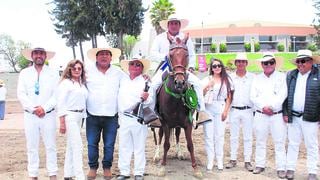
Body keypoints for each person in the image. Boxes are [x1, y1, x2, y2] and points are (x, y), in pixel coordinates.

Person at [150, 15, 210, 126]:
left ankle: (201, 112)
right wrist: (166, 56)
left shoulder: (185, 38)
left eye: (176, 23)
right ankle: (152, 115)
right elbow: (152, 53)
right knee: (153, 85)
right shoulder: (160, 38)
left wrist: (191, 66)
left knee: (197, 83)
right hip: (165, 67)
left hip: (182, 69)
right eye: (171, 23)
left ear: (179, 25)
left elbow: (191, 54)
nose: (174, 25)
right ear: (168, 25)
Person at [17, 47, 59, 180]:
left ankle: (52, 173)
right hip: (30, 115)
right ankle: (33, 174)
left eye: (41, 53)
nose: (38, 56)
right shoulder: (24, 73)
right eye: (36, 53)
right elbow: (21, 93)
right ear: (32, 56)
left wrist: (44, 108)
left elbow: (56, 94)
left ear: (45, 56)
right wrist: (33, 108)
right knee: (32, 146)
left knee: (51, 145)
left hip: (48, 115)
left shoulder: (53, 73)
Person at [85, 47, 123, 180]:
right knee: (91, 143)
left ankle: (107, 167)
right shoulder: (87, 71)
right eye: (101, 54)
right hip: (92, 114)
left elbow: (130, 81)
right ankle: (93, 167)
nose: (104, 56)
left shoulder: (118, 73)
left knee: (109, 144)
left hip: (111, 115)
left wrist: (145, 76)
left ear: (111, 58)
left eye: (107, 54)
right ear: (96, 57)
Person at [283, 49, 320, 180]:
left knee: (312, 145)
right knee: (292, 143)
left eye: (303, 61)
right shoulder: (291, 75)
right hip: (293, 116)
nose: (300, 64)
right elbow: (285, 96)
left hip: (310, 117)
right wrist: (286, 112)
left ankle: (312, 172)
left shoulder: (318, 75)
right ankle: (290, 169)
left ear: (311, 62)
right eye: (298, 61)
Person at [250, 52, 287, 178]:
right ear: (262, 64)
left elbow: (283, 95)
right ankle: (260, 164)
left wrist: (272, 107)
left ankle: (281, 167)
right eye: (265, 63)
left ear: (275, 63)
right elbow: (253, 96)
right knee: (260, 141)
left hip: (277, 114)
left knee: (280, 142)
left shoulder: (282, 77)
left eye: (271, 62)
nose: (268, 65)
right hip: (261, 114)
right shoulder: (256, 78)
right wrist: (263, 107)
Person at [117, 56, 153, 180]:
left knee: (139, 147)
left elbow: (150, 102)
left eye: (138, 65)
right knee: (124, 146)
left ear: (142, 68)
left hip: (138, 118)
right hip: (124, 118)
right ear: (128, 66)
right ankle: (124, 172)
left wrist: (146, 97)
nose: (135, 67)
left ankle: (139, 172)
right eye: (132, 64)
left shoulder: (146, 82)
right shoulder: (122, 79)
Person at [57, 59, 87, 180]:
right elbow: (61, 103)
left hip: (80, 116)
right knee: (77, 146)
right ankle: (80, 176)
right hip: (70, 116)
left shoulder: (82, 84)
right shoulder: (65, 83)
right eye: (74, 68)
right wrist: (62, 122)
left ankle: (67, 174)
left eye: (79, 68)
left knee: (71, 145)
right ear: (69, 69)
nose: (77, 70)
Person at [201, 58, 233, 171]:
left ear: (222, 66)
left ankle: (219, 160)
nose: (217, 68)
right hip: (208, 107)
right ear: (211, 68)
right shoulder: (207, 79)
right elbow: (200, 94)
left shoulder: (227, 79)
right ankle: (210, 160)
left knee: (219, 135)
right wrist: (208, 86)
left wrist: (226, 111)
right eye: (214, 66)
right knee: (208, 136)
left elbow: (229, 96)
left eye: (219, 65)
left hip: (220, 107)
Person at [226, 53, 254, 171]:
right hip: (234, 110)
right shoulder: (230, 77)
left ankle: (247, 161)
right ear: (235, 63)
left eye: (243, 61)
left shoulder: (253, 77)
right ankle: (233, 159)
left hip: (248, 110)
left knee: (248, 137)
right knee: (233, 136)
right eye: (239, 61)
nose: (241, 63)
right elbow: (227, 94)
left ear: (246, 63)